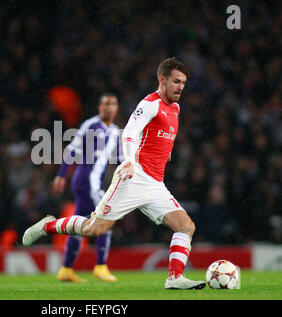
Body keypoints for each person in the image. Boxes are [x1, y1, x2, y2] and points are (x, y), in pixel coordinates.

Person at [23, 58, 206, 290]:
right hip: (133, 178)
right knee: (94, 228)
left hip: (155, 184)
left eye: (183, 83)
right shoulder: (149, 104)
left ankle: (175, 277)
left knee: (186, 226)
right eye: (176, 81)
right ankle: (48, 225)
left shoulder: (175, 108)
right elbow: (129, 132)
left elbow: (157, 136)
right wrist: (129, 160)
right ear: (162, 80)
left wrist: (164, 152)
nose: (181, 87)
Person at [52, 93, 123, 283]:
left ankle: (66, 269)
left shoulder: (116, 132)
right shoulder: (90, 125)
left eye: (113, 104)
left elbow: (121, 161)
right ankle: (101, 266)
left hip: (96, 183)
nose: (109, 108)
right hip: (85, 181)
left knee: (79, 226)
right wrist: (61, 175)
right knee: (105, 219)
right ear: (100, 108)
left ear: (117, 109)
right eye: (106, 104)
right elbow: (72, 149)